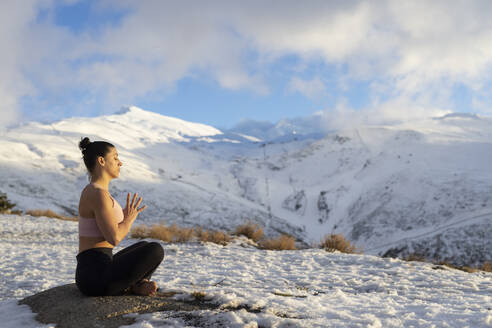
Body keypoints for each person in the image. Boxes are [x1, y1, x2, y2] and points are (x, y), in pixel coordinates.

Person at [76, 137, 164, 296]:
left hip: (97, 267)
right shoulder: (97, 193)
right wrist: (129, 219)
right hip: (94, 276)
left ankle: (136, 284)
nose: (120, 163)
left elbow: (103, 228)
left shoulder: (96, 191)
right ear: (101, 161)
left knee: (143, 245)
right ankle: (134, 285)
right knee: (155, 250)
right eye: (115, 157)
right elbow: (114, 237)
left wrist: (122, 217)